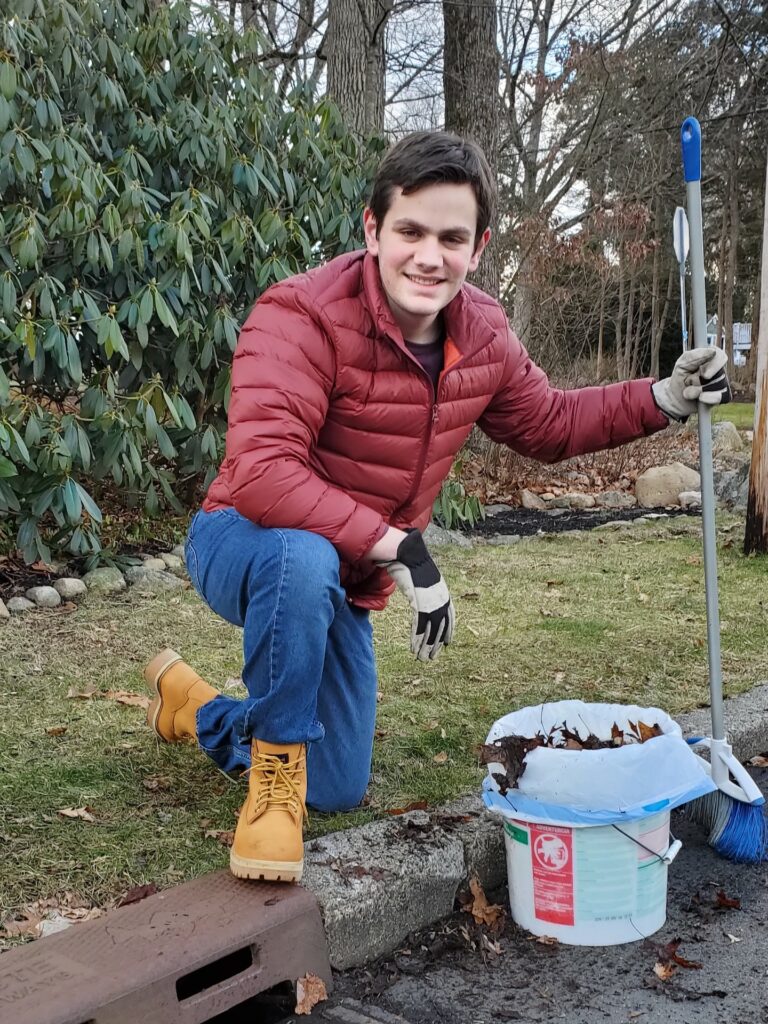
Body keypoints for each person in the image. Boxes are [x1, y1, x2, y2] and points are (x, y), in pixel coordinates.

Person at [143, 131, 730, 884]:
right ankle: (271, 789)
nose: (429, 256)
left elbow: (548, 424)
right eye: (410, 231)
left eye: (451, 238)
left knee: (341, 785)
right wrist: (404, 549)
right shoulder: (301, 313)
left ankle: (197, 709)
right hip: (243, 540)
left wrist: (666, 397)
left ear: (478, 246)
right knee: (301, 554)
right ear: (372, 230)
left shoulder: (482, 332)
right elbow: (261, 472)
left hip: (346, 569)